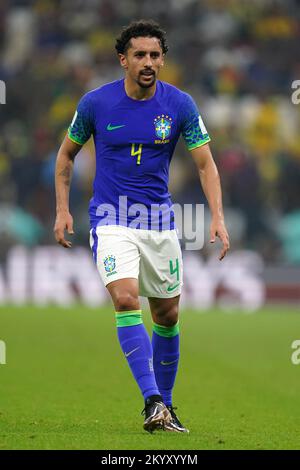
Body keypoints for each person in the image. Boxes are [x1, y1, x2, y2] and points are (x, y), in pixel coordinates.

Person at [54, 20, 230, 434]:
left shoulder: (180, 105)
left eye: (154, 55)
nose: (148, 62)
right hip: (112, 219)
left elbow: (205, 163)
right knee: (126, 297)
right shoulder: (96, 104)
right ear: (123, 59)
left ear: (162, 59)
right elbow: (65, 158)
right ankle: (151, 400)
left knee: (167, 314)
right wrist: (62, 210)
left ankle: (165, 408)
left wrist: (217, 216)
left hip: (160, 223)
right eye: (139, 55)